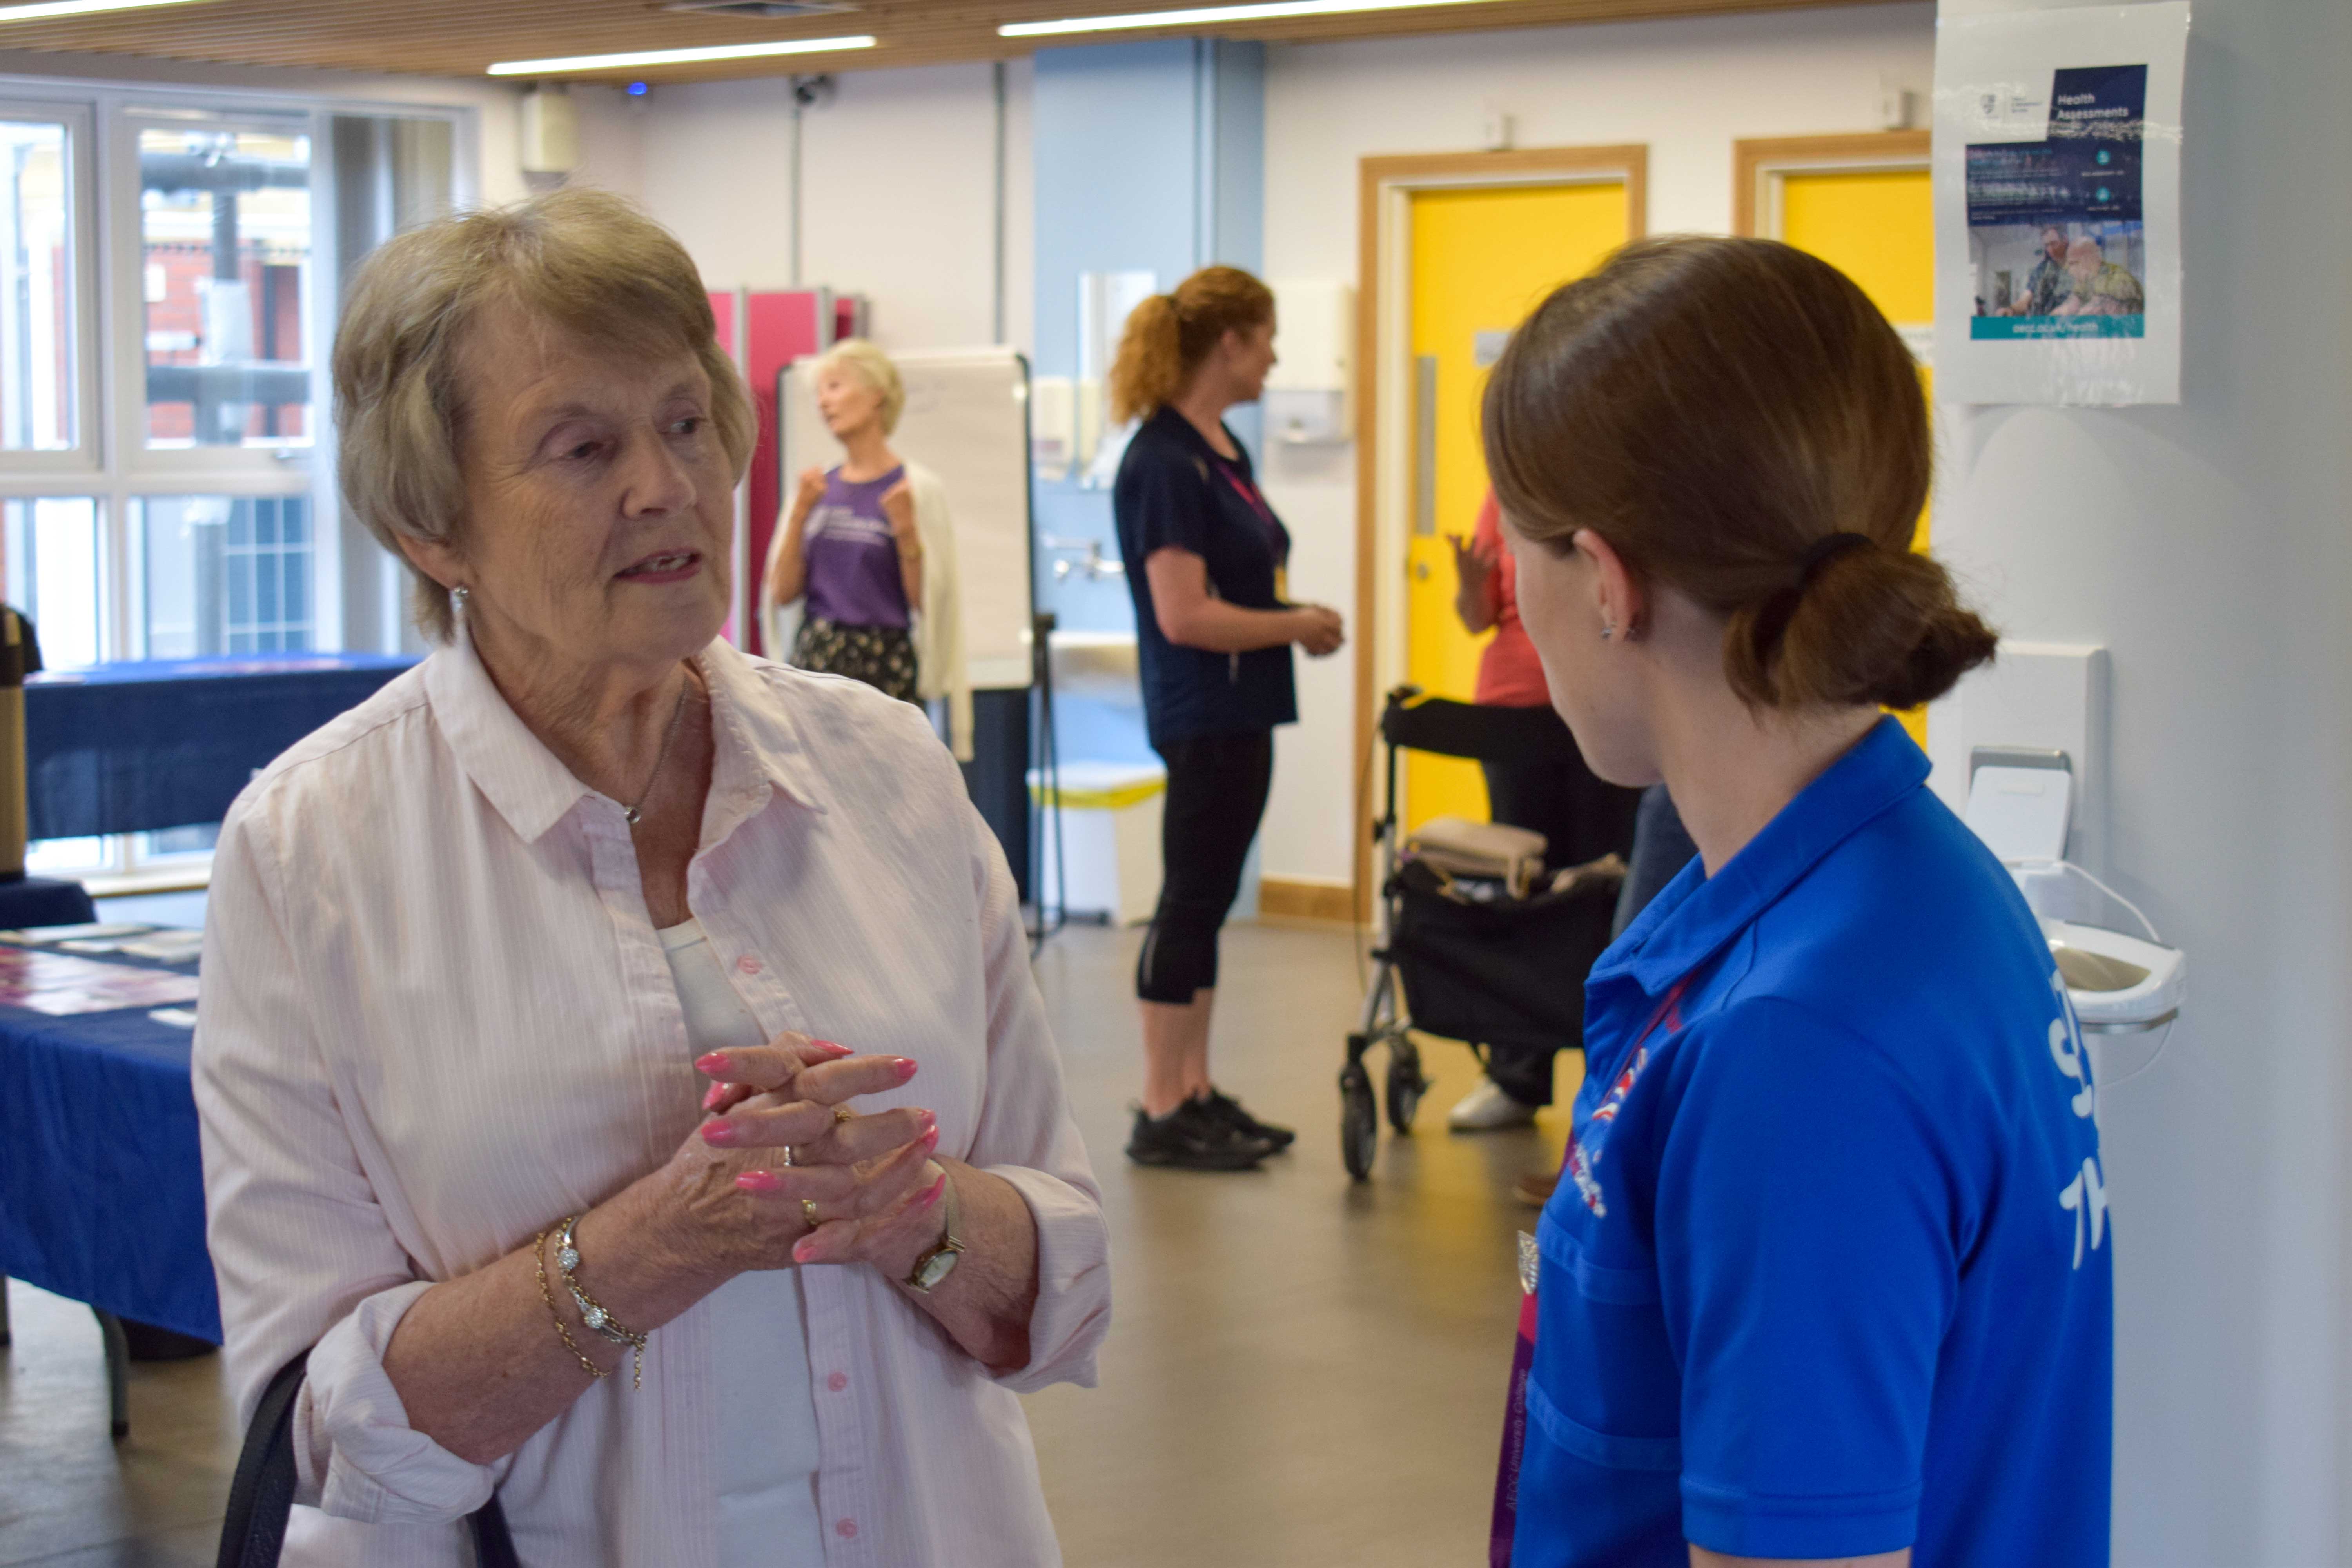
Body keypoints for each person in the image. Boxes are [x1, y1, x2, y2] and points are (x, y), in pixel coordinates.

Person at [193, 190, 1109, 1567]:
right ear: (434, 529)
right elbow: (323, 1438)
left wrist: (915, 1212)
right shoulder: (309, 854)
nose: (666, 486)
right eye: (583, 447)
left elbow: (1063, 1285)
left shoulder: (890, 773)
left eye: (687, 424)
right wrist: (652, 1247)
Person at [1483, 235, 2109, 1568]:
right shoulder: (1904, 893)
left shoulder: (1802, 1045)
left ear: (1605, 581)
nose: (1514, 607)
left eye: (1517, 558)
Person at [1109, 264, 1346, 1171]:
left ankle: (1196, 1088)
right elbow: (1184, 614)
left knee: (1207, 903)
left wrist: (1286, 629)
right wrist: (1298, 624)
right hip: (1203, 705)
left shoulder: (1218, 451)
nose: (1277, 357)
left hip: (1244, 703)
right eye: (1268, 338)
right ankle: (1161, 1103)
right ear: (1229, 343)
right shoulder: (1164, 461)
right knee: (1189, 898)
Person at [1444, 488, 1639, 1133]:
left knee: (1602, 891)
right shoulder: (1501, 496)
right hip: (1510, 715)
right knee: (1521, 892)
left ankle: (1608, 1082)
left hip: (1601, 705)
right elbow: (1478, 618)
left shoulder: (1613, 476)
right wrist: (1470, 586)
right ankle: (1515, 1076)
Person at [765, 339, 968, 753]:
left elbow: (930, 602)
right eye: (820, 392)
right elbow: (782, 592)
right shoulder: (816, 487)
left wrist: (907, 530)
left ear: (877, 395)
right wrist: (800, 513)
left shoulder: (916, 489)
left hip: (884, 663)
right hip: (817, 662)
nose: (824, 402)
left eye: (835, 386)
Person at [2054, 234, 2146, 316]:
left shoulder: (2118, 280)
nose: (2070, 272)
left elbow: (2089, 312)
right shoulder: (2087, 279)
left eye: (2073, 264)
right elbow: (2072, 304)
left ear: (2089, 260)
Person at [2006, 224, 2071, 315]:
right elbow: (2025, 299)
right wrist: (2011, 310)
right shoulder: (2043, 269)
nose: (2050, 250)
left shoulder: (2080, 264)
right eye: (2047, 245)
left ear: (2065, 239)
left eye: (2054, 244)